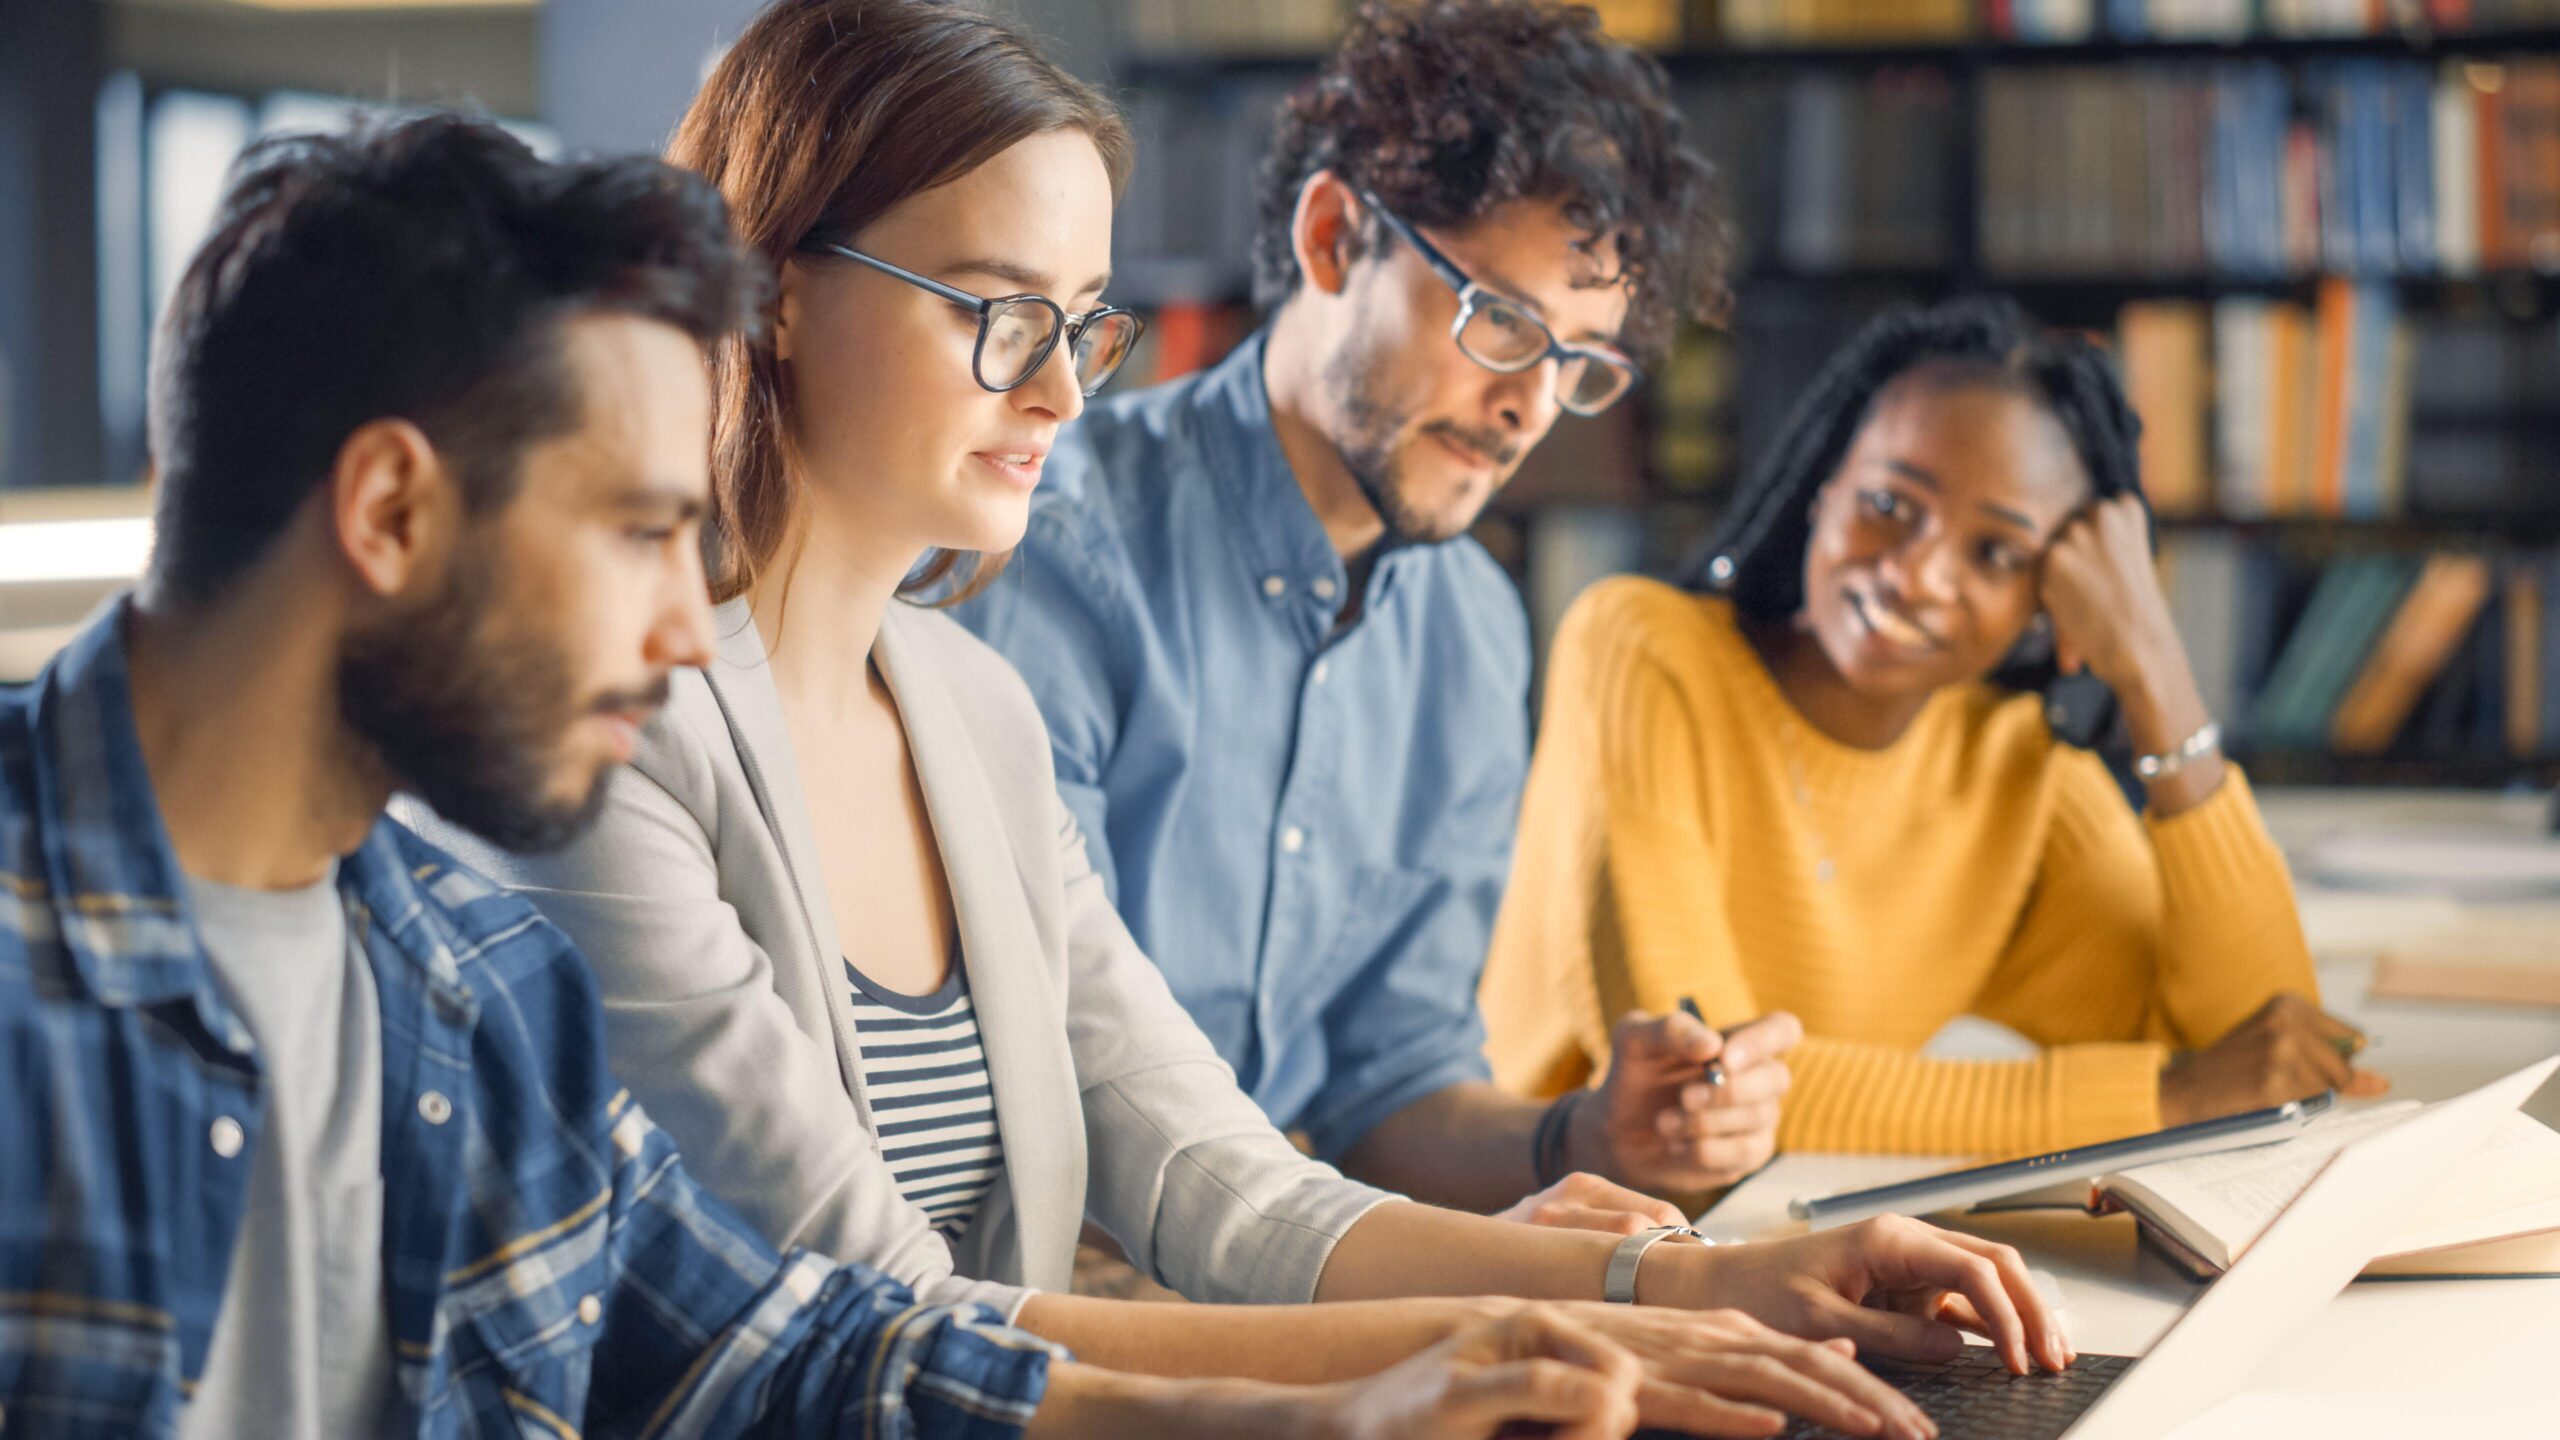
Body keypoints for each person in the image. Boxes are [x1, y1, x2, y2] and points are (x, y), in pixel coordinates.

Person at [416, 4, 2063, 1436]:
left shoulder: (964, 709)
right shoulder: (606, 735)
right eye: (996, 309)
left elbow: (1225, 1178)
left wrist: (1724, 1277)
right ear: (772, 289)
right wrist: (1472, 1352)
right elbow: (884, 1326)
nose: (1060, 388)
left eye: (1081, 323)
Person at [0, 109, 1731, 1440]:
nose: (692, 627)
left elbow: (801, 1347)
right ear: (388, 512)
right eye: (639, 534)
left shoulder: (463, 979)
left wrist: (1360, 1405)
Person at [947, 0, 1795, 1222]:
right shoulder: (1045, 551)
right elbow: (1048, 1089)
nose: (1530, 410)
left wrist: (1589, 1132)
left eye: (1579, 364)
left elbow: (1388, 1091)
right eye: (1502, 323)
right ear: (1335, 237)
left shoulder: (1474, 629)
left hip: (1282, 1275)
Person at [1480, 297, 2389, 1159]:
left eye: (1995, 552)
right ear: (1824, 489)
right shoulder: (1644, 650)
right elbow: (1703, 1082)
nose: (1917, 575)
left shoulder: (2016, 772)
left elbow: (2267, 1051)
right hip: (1535, 1228)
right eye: (1888, 505)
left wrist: (2157, 669)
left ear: (2049, 599)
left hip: (1785, 1240)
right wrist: (2167, 1099)